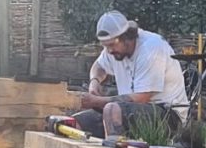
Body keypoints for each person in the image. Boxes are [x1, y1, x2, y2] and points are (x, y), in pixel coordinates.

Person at [74, 11, 189, 140]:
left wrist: (96, 101)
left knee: (112, 110)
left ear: (126, 37)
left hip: (168, 116)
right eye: (105, 46)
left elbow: (142, 98)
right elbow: (99, 66)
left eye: (111, 45)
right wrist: (94, 82)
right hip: (127, 112)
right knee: (73, 123)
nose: (109, 51)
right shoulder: (113, 49)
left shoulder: (151, 48)